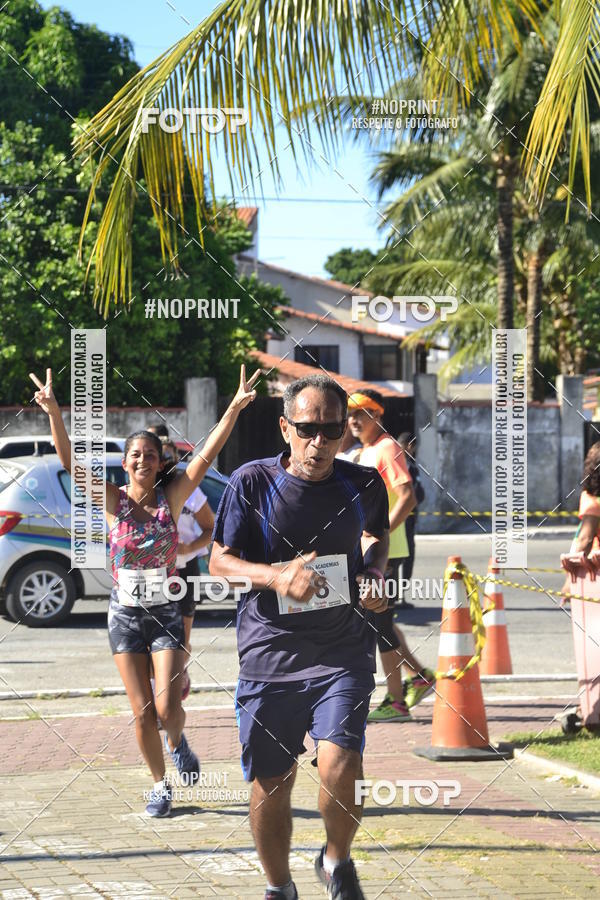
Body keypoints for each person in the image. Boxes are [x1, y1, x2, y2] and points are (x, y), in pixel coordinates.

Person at [30, 365, 259, 818]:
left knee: (167, 707)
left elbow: (207, 455)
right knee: (141, 712)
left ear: (159, 461)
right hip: (124, 616)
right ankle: (159, 786)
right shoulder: (113, 500)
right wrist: (54, 411)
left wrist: (233, 408)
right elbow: (70, 463)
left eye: (150, 455)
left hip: (165, 614)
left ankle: (177, 741)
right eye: (135, 455)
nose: (142, 461)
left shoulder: (172, 497)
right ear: (125, 462)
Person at [210, 374, 390, 900]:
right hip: (270, 654)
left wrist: (375, 575)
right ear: (285, 427)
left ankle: (336, 860)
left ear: (344, 432)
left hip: (342, 650)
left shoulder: (363, 483)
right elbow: (219, 562)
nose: (319, 442)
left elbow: (376, 537)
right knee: (271, 784)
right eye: (307, 429)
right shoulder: (251, 483)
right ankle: (279, 886)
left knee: (342, 761)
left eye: (332, 430)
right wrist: (276, 577)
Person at [346, 391, 435, 723]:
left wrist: (380, 533)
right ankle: (420, 677)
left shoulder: (387, 448)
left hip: (385, 553)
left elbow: (407, 496)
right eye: (350, 414)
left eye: (362, 413)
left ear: (378, 415)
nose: (354, 420)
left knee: (379, 624)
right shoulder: (364, 451)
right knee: (382, 622)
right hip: (370, 551)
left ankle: (397, 701)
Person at [162, 439, 215, 695]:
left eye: (170, 458)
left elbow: (211, 529)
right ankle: (159, 689)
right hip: (154, 572)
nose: (165, 463)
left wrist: (188, 548)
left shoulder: (190, 491)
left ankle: (178, 676)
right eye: (161, 458)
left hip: (185, 569)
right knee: (156, 635)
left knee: (182, 638)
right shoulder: (147, 489)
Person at [397, 433, 425, 605]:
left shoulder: (411, 467)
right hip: (400, 518)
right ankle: (393, 596)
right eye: (413, 447)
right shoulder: (397, 465)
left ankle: (399, 596)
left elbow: (420, 492)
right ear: (409, 445)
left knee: (406, 556)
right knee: (398, 557)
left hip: (407, 520)